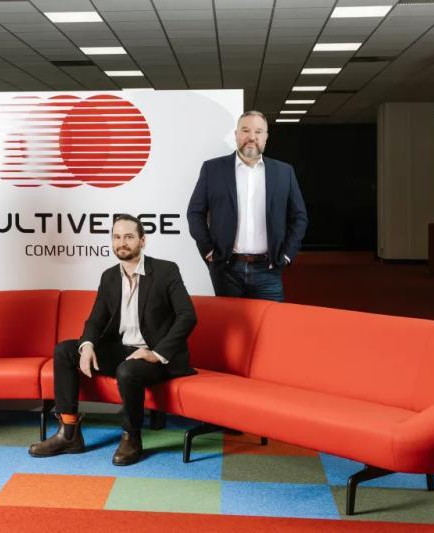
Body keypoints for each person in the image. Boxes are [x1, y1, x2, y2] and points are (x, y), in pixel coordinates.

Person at [28, 215, 197, 466]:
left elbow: (187, 316)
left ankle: (132, 437)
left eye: (129, 237)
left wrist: (155, 354)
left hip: (156, 357)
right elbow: (96, 320)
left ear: (142, 240)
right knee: (65, 350)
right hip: (122, 350)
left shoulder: (165, 271)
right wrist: (87, 345)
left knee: (127, 370)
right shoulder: (109, 277)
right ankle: (69, 433)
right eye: (116, 237)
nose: (122, 243)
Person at [186, 110, 308, 302]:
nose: (252, 137)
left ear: (266, 137)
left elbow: (299, 217)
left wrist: (286, 255)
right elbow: (195, 213)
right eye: (245, 130)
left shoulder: (284, 172)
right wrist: (208, 251)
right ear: (236, 135)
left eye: (258, 131)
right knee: (230, 320)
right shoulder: (213, 169)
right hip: (226, 269)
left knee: (270, 320)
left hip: (269, 270)